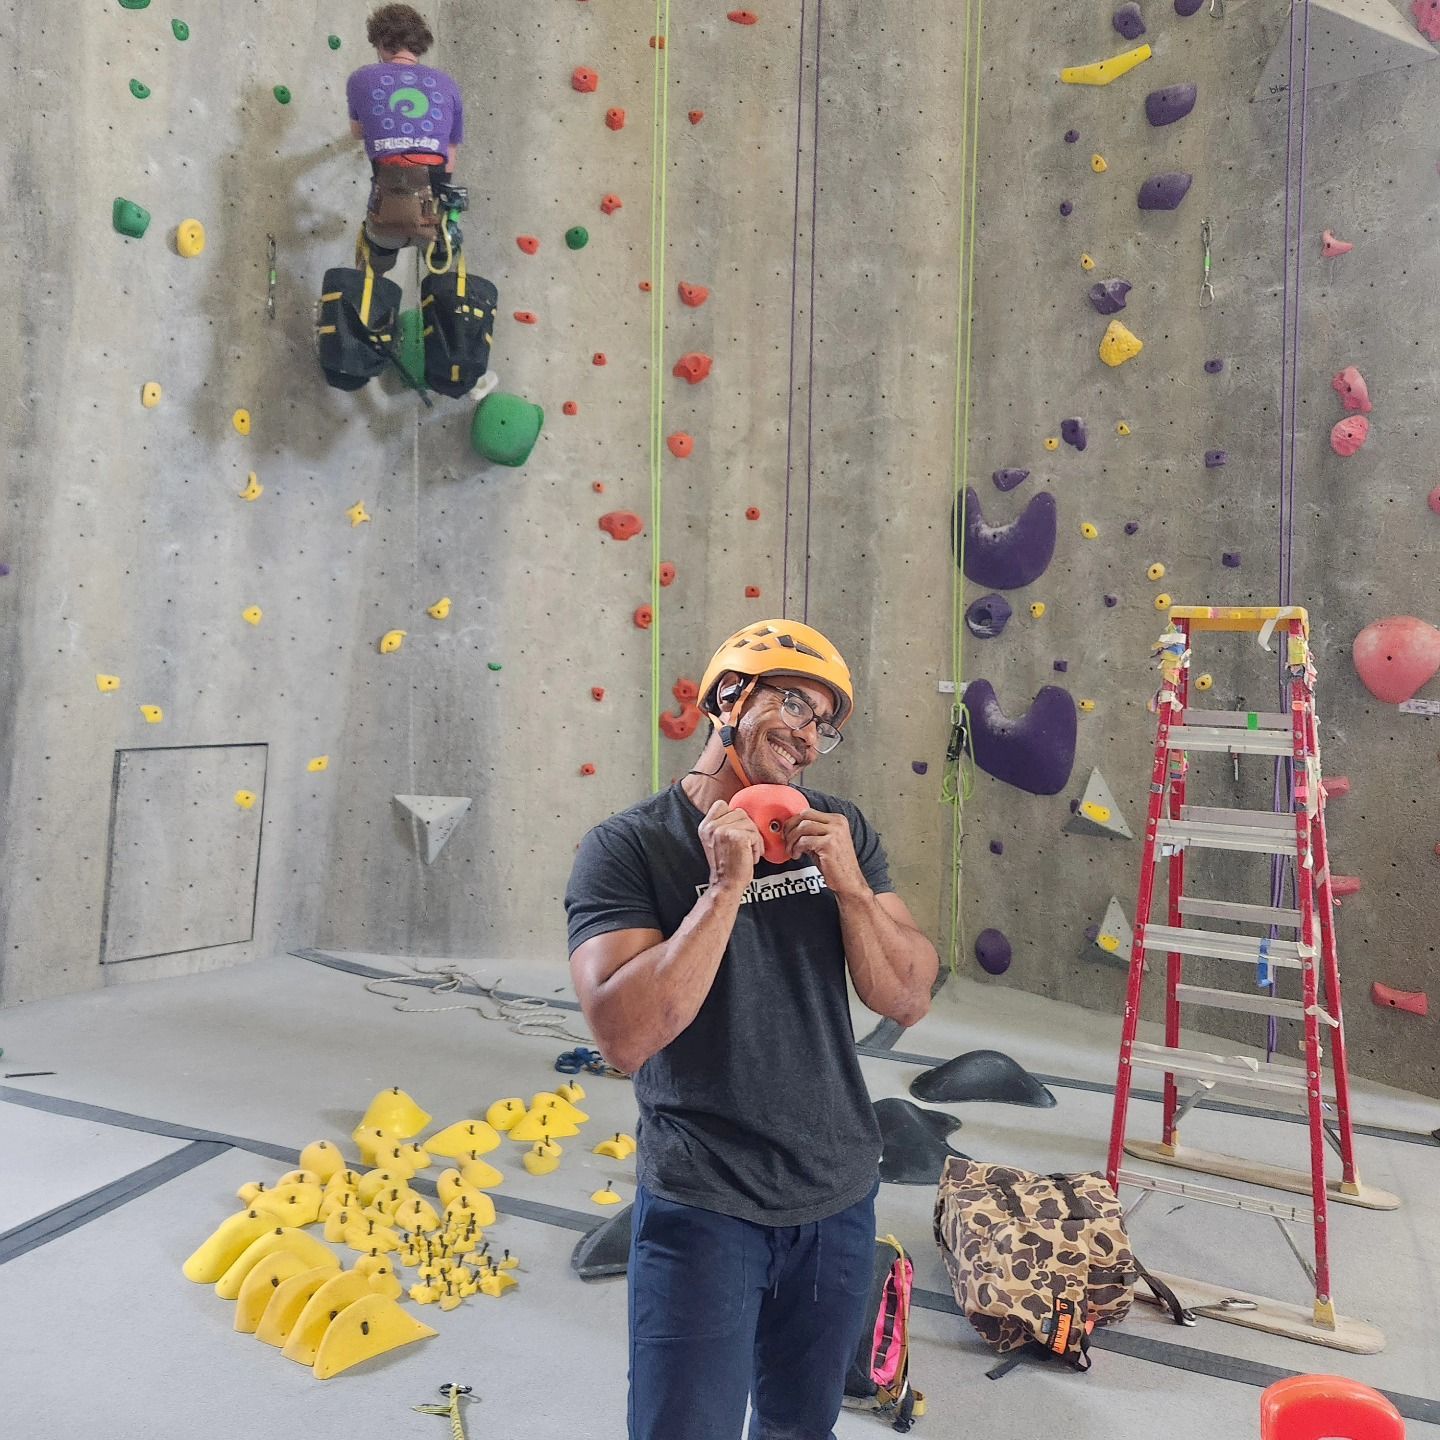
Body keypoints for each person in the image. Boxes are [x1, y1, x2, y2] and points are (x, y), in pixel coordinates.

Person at [565, 619, 940, 1440]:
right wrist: (723, 890)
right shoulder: (627, 848)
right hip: (705, 1204)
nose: (806, 738)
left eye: (822, 726)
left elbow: (908, 995)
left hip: (836, 1198)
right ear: (728, 699)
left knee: (802, 1429)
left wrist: (848, 889)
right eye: (794, 705)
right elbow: (624, 1037)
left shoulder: (838, 831)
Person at [345, 5, 464, 275]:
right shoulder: (447, 84)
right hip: (435, 216)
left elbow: (357, 132)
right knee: (444, 274)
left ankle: (374, 299)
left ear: (382, 42)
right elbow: (450, 153)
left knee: (373, 269)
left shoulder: (360, 79)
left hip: (385, 214)